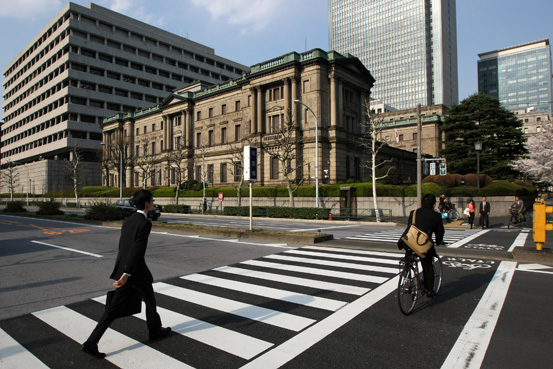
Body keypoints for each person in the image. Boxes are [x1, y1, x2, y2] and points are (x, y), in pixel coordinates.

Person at [82, 189, 171, 359]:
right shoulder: (145, 224)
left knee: (145, 301)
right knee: (126, 305)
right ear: (146, 203)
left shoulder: (129, 220)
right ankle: (91, 342)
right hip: (133, 271)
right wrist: (126, 273)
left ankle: (155, 329)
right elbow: (137, 249)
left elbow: (123, 246)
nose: (153, 202)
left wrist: (122, 269)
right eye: (152, 200)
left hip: (130, 269)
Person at [398, 193, 445, 297]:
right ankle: (429, 290)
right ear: (433, 205)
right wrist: (438, 241)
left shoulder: (413, 213)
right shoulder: (436, 216)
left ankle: (407, 275)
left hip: (408, 242)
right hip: (422, 245)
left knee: (409, 257)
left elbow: (410, 228)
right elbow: (440, 232)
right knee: (428, 266)